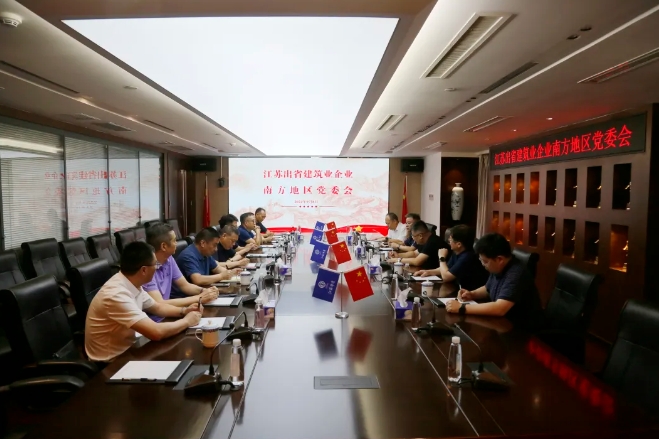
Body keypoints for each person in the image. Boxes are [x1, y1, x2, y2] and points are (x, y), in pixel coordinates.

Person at [85, 241, 202, 363]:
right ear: (144, 270)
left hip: (130, 350)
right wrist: (187, 321)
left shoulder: (132, 283)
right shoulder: (116, 295)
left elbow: (157, 307)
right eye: (155, 264)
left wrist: (184, 311)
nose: (157, 267)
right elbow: (156, 332)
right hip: (111, 362)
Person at [445, 233, 544, 330]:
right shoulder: (498, 267)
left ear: (499, 259)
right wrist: (472, 294)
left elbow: (499, 308)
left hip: (522, 330)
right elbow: (488, 288)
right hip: (502, 323)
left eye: (485, 261)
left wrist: (462, 308)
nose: (483, 264)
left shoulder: (516, 273)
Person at [142, 223, 220, 321]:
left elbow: (185, 285)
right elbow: (159, 304)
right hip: (154, 321)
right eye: (174, 240)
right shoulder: (146, 268)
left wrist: (204, 291)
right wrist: (199, 298)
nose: (176, 243)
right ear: (164, 246)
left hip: (170, 314)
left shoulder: (169, 259)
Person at [414, 225, 489, 290]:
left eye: (451, 239)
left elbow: (446, 277)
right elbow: (447, 269)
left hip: (472, 295)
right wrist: (428, 272)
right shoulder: (456, 252)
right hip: (458, 290)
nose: (449, 240)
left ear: (459, 244)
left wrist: (442, 258)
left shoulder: (467, 257)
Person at [173, 227, 237, 298]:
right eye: (214, 245)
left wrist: (232, 274)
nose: (216, 249)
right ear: (203, 243)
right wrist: (221, 276)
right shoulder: (188, 255)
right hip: (184, 298)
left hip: (202, 293)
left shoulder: (205, 253)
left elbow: (217, 268)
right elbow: (198, 280)